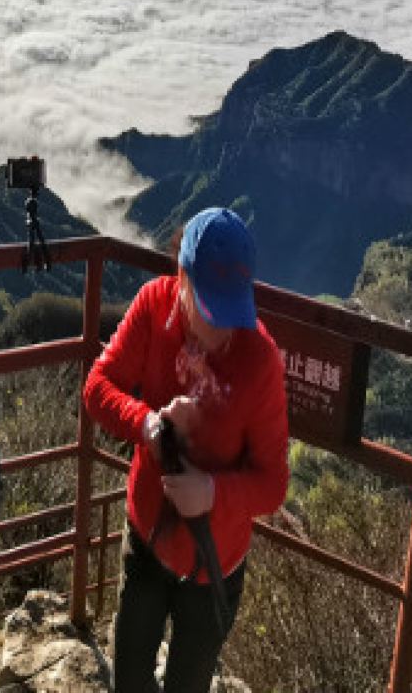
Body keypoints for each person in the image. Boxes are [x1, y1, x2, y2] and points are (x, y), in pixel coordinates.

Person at [84, 207, 289, 693]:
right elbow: (98, 386)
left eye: (230, 312)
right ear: (181, 278)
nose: (220, 332)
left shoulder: (260, 360)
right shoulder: (154, 307)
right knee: (130, 676)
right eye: (209, 309)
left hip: (214, 558)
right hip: (148, 536)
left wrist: (213, 492)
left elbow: (273, 484)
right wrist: (149, 424)